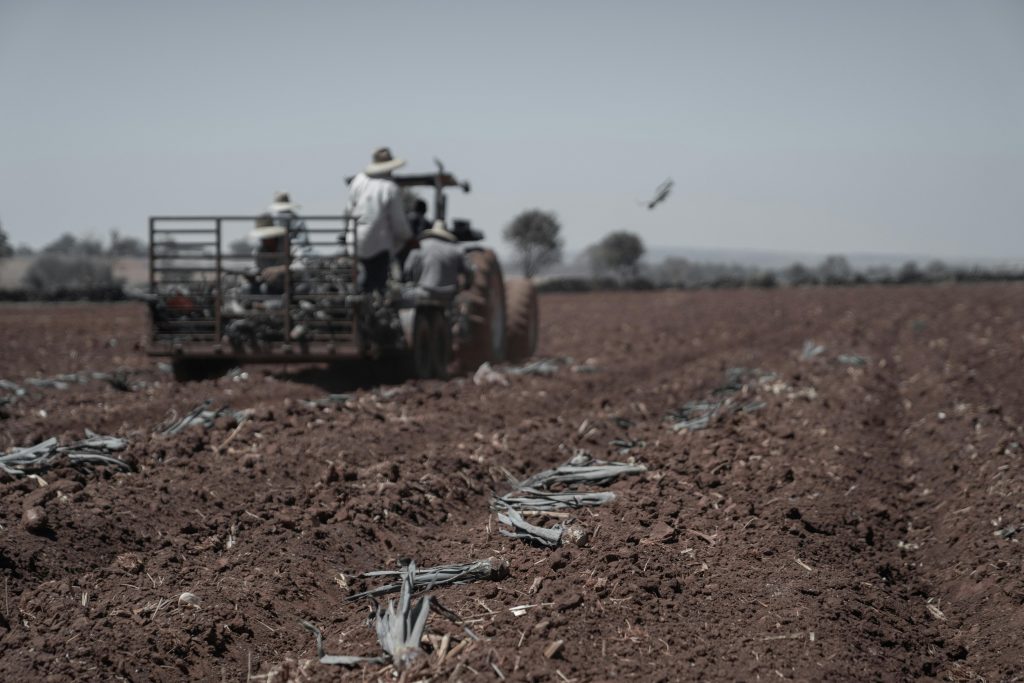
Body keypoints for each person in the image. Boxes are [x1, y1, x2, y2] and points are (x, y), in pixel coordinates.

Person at [345, 147, 414, 293]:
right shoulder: (390, 187)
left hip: (354, 240)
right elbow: (398, 222)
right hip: (378, 244)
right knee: (377, 282)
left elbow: (349, 209)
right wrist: (408, 237)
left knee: (363, 279)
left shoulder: (358, 181)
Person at [403, 220, 468, 300]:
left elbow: (407, 269)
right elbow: (469, 271)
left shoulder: (420, 245)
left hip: (423, 292)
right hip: (448, 294)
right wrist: (464, 287)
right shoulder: (457, 249)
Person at [250, 214, 289, 294]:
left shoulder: (288, 244)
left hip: (291, 287)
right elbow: (258, 269)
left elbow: (300, 266)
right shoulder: (259, 252)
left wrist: (280, 270)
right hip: (271, 288)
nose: (264, 239)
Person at [268, 191, 310, 256]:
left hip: (293, 250)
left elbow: (301, 241)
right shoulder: (296, 219)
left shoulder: (296, 220)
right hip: (279, 251)